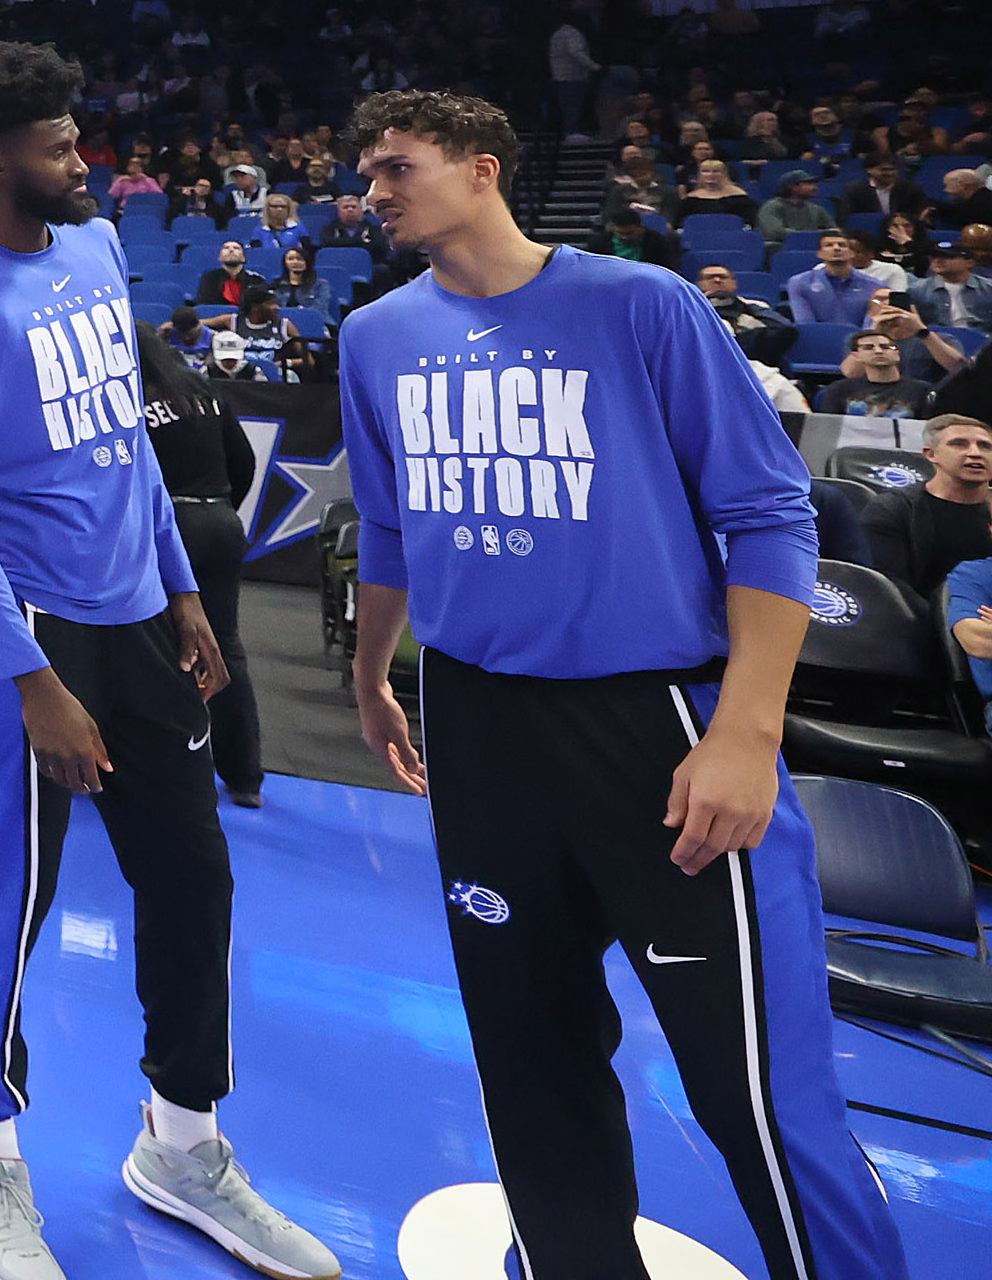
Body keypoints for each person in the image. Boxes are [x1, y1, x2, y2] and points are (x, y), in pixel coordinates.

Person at [338, 89, 906, 1280]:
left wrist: (745, 733)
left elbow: (765, 513)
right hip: (475, 715)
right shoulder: (374, 333)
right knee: (527, 1052)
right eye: (364, 169)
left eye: (394, 164)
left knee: (750, 1082)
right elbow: (385, 526)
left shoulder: (637, 303)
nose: (371, 187)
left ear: (480, 167)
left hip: (652, 718)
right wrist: (369, 673)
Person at [0, 42, 327, 1280]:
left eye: (74, 135)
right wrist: (30, 678)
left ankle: (180, 1139)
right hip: (22, 633)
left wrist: (182, 589)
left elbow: (122, 443)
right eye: (55, 144)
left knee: (191, 873)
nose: (80, 159)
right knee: (6, 902)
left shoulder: (91, 247)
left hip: (139, 610)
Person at [133, 328, 265, 806]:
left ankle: (168, 766)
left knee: (160, 648)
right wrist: (224, 506)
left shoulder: (132, 399)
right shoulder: (204, 391)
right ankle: (246, 776)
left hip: (170, 529)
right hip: (222, 521)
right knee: (225, 643)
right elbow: (245, 461)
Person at [859, 410, 989, 593]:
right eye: (959, 444)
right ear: (931, 454)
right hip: (915, 617)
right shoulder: (893, 509)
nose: (975, 453)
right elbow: (888, 587)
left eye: (985, 446)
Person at [815, 325, 933, 419]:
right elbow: (829, 428)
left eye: (885, 347)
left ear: (898, 354)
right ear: (856, 356)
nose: (878, 351)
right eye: (868, 347)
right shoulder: (839, 389)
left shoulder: (922, 390)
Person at [696, 261, 798, 365]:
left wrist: (742, 305)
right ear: (699, 284)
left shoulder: (754, 306)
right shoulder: (691, 308)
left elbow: (785, 328)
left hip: (750, 360)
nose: (717, 280)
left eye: (723, 277)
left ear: (734, 284)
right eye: (710, 278)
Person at [784, 231, 875, 327]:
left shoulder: (874, 286)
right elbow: (805, 324)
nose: (836, 248)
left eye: (842, 245)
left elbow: (869, 326)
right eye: (829, 245)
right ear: (819, 253)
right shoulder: (799, 282)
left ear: (852, 253)